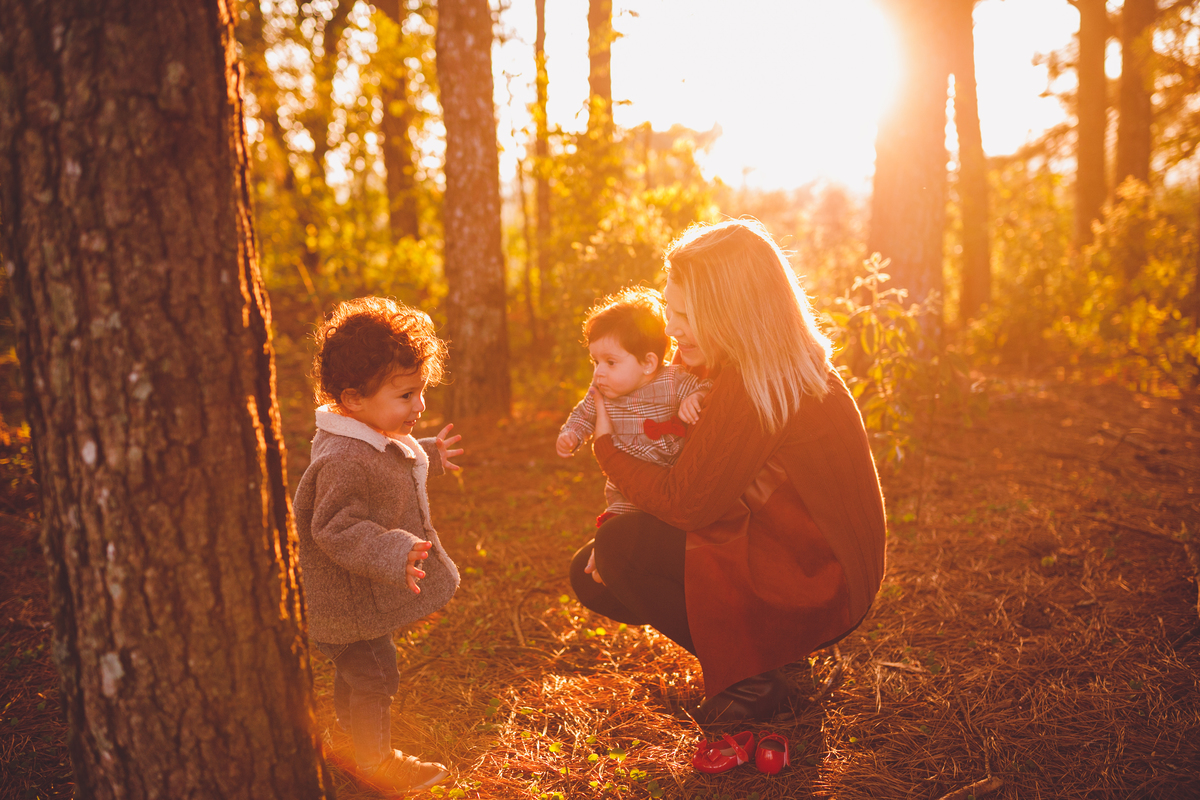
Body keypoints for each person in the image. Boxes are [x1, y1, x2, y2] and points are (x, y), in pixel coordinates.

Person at [569, 219, 887, 724]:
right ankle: (769, 657)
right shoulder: (746, 360)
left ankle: (754, 679)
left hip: (823, 579)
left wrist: (607, 448)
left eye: (684, 315)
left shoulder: (756, 379)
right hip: (797, 549)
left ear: (730, 311)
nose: (671, 328)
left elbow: (686, 502)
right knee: (598, 564)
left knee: (619, 551)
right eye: (670, 310)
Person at [292, 297, 464, 794]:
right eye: (406, 395)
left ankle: (350, 740)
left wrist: (426, 450)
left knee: (357, 673)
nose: (421, 406)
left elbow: (385, 456)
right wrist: (392, 550)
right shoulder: (344, 457)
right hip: (347, 603)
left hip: (352, 601)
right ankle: (375, 760)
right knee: (374, 675)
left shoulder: (363, 432)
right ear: (353, 399)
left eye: (421, 391)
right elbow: (336, 526)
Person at [556, 286, 710, 526]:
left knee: (655, 528)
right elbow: (583, 415)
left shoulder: (672, 380)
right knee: (617, 526)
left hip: (666, 480)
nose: (599, 372)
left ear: (648, 362)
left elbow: (704, 387)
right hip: (626, 487)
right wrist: (571, 434)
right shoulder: (601, 390)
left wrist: (696, 397)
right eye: (595, 362)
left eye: (610, 362)